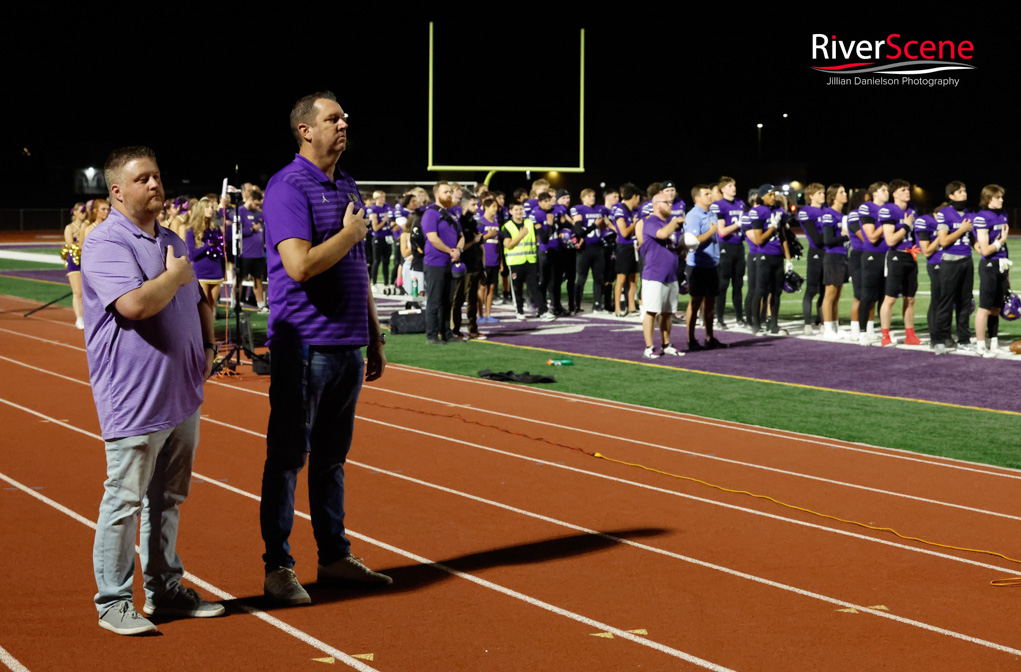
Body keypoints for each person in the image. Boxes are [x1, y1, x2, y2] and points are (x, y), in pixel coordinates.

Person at [81, 146, 222, 635]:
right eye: (143, 178)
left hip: (181, 391)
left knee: (168, 498)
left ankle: (165, 590)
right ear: (117, 191)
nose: (155, 185)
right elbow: (136, 305)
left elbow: (196, 298)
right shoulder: (103, 242)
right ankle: (113, 602)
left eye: (157, 176)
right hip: (135, 394)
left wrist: (206, 343)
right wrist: (175, 274)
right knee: (124, 498)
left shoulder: (171, 238)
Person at [260, 92, 390, 606]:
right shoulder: (287, 186)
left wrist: (373, 334)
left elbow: (353, 267)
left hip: (347, 345)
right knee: (289, 458)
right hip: (305, 345)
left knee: (332, 460)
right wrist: (350, 232)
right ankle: (278, 567)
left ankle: (334, 557)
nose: (344, 123)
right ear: (305, 130)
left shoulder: (346, 183)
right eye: (332, 118)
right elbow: (300, 265)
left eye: (343, 116)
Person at [639, 190, 684, 358]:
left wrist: (682, 247)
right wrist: (675, 221)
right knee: (651, 311)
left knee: (667, 312)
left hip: (670, 274)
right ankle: (649, 347)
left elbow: (669, 245)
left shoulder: (668, 224)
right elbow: (662, 234)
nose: (670, 205)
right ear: (656, 205)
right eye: (667, 202)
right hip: (654, 274)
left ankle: (666, 344)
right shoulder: (651, 221)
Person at [933, 181, 975, 355]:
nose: (964, 194)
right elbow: (943, 241)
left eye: (965, 191)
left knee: (965, 303)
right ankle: (940, 339)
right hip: (950, 262)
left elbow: (973, 239)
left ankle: (964, 339)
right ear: (951, 196)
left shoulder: (970, 213)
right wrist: (962, 229)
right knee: (946, 302)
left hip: (967, 260)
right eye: (960, 192)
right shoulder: (944, 213)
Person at [877, 179, 921, 347]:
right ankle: (885, 336)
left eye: (907, 189)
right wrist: (906, 226)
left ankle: (910, 335)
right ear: (894, 193)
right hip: (896, 256)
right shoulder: (888, 210)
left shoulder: (912, 210)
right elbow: (890, 240)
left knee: (910, 299)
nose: (907, 192)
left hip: (911, 256)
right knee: (890, 298)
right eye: (903, 190)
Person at [684, 185, 725, 350]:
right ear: (697, 198)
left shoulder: (711, 212)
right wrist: (712, 231)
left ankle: (709, 337)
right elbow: (692, 240)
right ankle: (691, 339)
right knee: (695, 303)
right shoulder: (693, 215)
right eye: (706, 194)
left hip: (712, 264)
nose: (710, 196)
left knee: (710, 303)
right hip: (698, 265)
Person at [422, 181, 464, 344]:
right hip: (435, 262)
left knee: (448, 300)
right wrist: (450, 251)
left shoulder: (452, 213)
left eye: (450, 192)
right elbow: (433, 238)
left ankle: (447, 333)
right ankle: (432, 336)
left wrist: (458, 250)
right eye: (446, 192)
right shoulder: (431, 213)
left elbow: (461, 236)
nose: (449, 194)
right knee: (434, 300)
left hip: (451, 263)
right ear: (436, 194)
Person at [972, 184, 1010, 356]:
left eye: (1002, 196)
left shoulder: (1002, 214)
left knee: (996, 308)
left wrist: (1007, 271)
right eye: (998, 197)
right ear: (988, 199)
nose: (1001, 200)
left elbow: (1003, 246)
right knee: (985, 308)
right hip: (989, 265)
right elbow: (985, 250)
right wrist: (1000, 242)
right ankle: (981, 346)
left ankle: (993, 344)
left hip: (1001, 263)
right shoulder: (982, 217)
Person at [502, 202, 551, 320]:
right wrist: (520, 235)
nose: (519, 212)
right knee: (517, 289)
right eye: (516, 209)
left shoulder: (529, 223)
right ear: (511, 212)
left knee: (535, 287)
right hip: (515, 262)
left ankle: (543, 311)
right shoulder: (507, 226)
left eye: (521, 209)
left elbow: (535, 240)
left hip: (530, 261)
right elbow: (508, 245)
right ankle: (519, 311)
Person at [710, 177, 747, 329]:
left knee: (738, 284)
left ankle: (739, 317)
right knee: (723, 283)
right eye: (730, 186)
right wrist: (738, 224)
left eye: (734, 185)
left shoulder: (740, 203)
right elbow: (722, 231)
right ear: (723, 189)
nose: (733, 188)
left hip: (739, 246)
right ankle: (719, 319)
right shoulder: (718, 205)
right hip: (726, 246)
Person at [184, 195, 226, 314]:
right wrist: (208, 245)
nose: (210, 210)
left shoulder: (216, 229)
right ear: (200, 210)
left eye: (211, 207)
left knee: (211, 308)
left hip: (216, 271)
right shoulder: (191, 230)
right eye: (207, 207)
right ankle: (201, 333)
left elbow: (221, 250)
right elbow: (192, 255)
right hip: (201, 272)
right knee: (203, 309)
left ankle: (209, 333)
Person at [819, 184, 850, 340]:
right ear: (834, 197)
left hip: (842, 256)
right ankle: (827, 328)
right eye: (841, 192)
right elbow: (828, 240)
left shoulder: (842, 215)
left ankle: (835, 327)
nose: (845, 194)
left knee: (837, 295)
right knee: (830, 294)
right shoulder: (828, 215)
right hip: (832, 257)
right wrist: (845, 236)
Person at [797, 183, 827, 335]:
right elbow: (816, 238)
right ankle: (807, 324)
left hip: (829, 253)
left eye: (823, 193)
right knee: (811, 290)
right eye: (820, 193)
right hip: (816, 253)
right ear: (811, 196)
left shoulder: (827, 211)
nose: (823, 195)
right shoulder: (806, 211)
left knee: (825, 290)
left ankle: (822, 321)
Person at [238, 188, 268, 312]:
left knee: (258, 279)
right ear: (250, 199)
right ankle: (237, 304)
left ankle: (261, 305)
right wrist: (251, 229)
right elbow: (237, 231)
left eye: (259, 204)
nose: (257, 206)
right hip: (245, 252)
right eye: (256, 204)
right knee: (240, 279)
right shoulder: (240, 211)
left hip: (259, 253)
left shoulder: (260, 213)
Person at [63, 202, 88, 329]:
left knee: (88, 292)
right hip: (75, 262)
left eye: (85, 210)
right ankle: (79, 318)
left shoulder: (89, 225)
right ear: (75, 212)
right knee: (78, 292)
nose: (84, 213)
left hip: (88, 262)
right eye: (81, 210)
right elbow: (69, 244)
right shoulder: (69, 227)